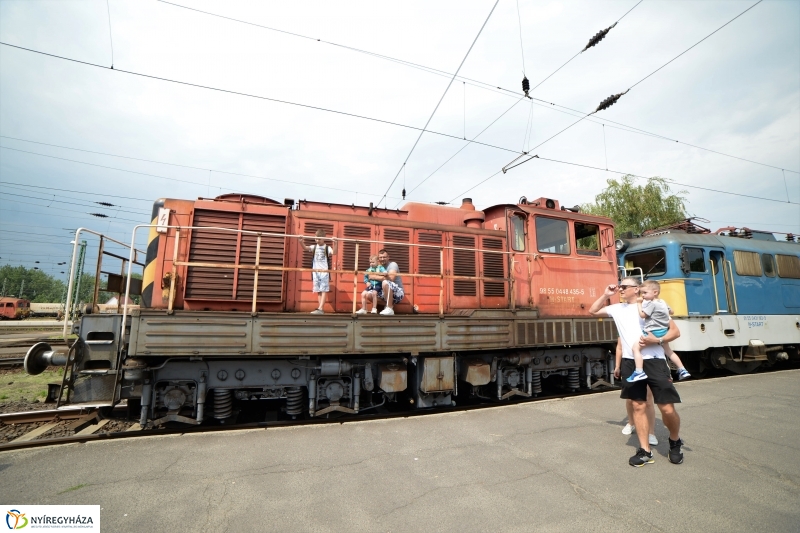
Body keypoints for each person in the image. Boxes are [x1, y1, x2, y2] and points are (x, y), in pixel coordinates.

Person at [589, 277, 685, 467]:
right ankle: (645, 451)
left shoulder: (653, 305)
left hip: (655, 361)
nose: (620, 289)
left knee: (667, 408)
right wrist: (606, 295)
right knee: (638, 406)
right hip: (630, 363)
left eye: (624, 287)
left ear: (636, 289)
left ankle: (675, 441)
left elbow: (675, 332)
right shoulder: (617, 308)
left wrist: (656, 340)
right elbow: (592, 311)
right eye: (620, 287)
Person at [637, 280, 691, 381]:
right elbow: (672, 311)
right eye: (641, 293)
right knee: (668, 351)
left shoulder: (651, 304)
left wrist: (639, 304)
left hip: (653, 331)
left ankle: (639, 371)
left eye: (645, 293)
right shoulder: (662, 302)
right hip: (664, 331)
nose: (642, 295)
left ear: (655, 292)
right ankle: (682, 369)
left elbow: (642, 315)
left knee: (635, 349)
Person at [616, 339, 659, 446]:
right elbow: (619, 347)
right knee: (630, 399)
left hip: (648, 361)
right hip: (629, 362)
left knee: (648, 399)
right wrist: (617, 366)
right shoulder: (623, 329)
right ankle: (631, 423)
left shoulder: (646, 328)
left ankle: (651, 433)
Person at [303, 229, 337, 315]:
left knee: (324, 290)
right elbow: (305, 248)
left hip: (324, 272)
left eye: (319, 239)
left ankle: (321, 308)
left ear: (323, 238)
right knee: (318, 291)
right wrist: (301, 241)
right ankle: (320, 308)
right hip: (315, 272)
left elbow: (334, 252)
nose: (317, 240)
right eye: (316, 239)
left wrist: (335, 243)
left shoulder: (327, 248)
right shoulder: (314, 247)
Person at [371, 249, 404, 316]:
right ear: (378, 258)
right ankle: (388, 305)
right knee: (368, 294)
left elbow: (391, 278)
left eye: (384, 257)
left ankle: (389, 308)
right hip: (385, 291)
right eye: (380, 257)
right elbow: (369, 276)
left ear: (388, 257)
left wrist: (374, 277)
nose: (382, 259)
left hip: (398, 293)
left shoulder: (393, 264)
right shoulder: (378, 267)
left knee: (385, 282)